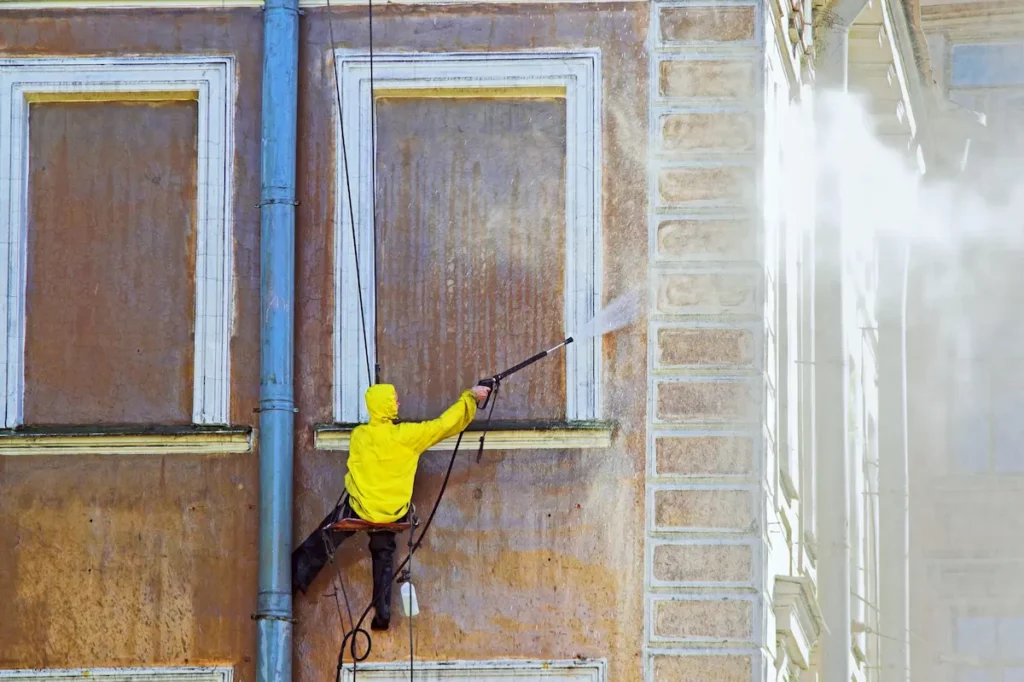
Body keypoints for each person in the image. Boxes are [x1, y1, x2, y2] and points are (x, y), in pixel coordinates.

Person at [291, 381, 491, 630]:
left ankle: (292, 579)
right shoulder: (406, 436)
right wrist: (470, 397)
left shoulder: (360, 435)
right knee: (383, 553)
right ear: (385, 405)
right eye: (394, 399)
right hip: (392, 513)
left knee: (324, 537)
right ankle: (382, 613)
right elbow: (444, 425)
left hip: (361, 509)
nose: (398, 402)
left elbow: (354, 471)